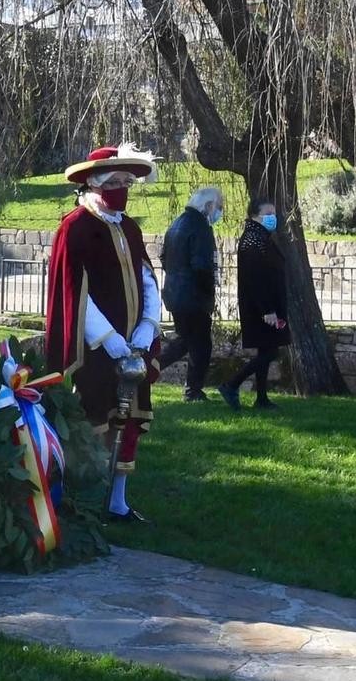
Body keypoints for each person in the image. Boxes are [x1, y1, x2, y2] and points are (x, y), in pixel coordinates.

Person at [43, 144, 162, 523]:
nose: (122, 189)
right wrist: (108, 339)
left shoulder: (129, 226)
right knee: (95, 418)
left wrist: (147, 326)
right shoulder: (75, 227)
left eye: (128, 182)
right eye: (115, 182)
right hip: (92, 346)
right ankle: (82, 500)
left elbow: (146, 278)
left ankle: (118, 502)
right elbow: (73, 291)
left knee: (129, 421)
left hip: (133, 345)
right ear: (95, 184)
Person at [161, 186, 223, 404]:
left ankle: (149, 370)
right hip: (194, 296)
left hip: (175, 293)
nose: (219, 211)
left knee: (185, 340)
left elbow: (163, 257)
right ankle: (193, 391)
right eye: (219, 206)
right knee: (200, 345)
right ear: (208, 206)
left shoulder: (177, 223)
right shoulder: (200, 227)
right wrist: (209, 293)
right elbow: (202, 266)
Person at [225, 199, 288, 411]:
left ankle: (261, 398)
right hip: (262, 308)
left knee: (266, 351)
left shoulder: (261, 237)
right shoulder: (253, 241)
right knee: (270, 352)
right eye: (268, 213)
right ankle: (231, 384)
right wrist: (267, 310)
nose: (273, 217)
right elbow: (255, 279)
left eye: (274, 213)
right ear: (254, 215)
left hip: (268, 305)